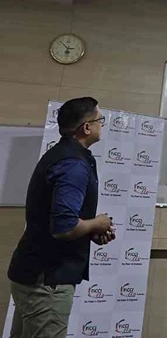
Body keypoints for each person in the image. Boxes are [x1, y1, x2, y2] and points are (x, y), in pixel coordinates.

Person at [7, 97, 115, 338]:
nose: (102, 125)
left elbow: (58, 220)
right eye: (100, 120)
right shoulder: (73, 164)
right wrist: (98, 223)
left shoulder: (63, 155)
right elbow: (64, 227)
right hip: (47, 282)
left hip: (33, 274)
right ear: (86, 127)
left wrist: (90, 230)